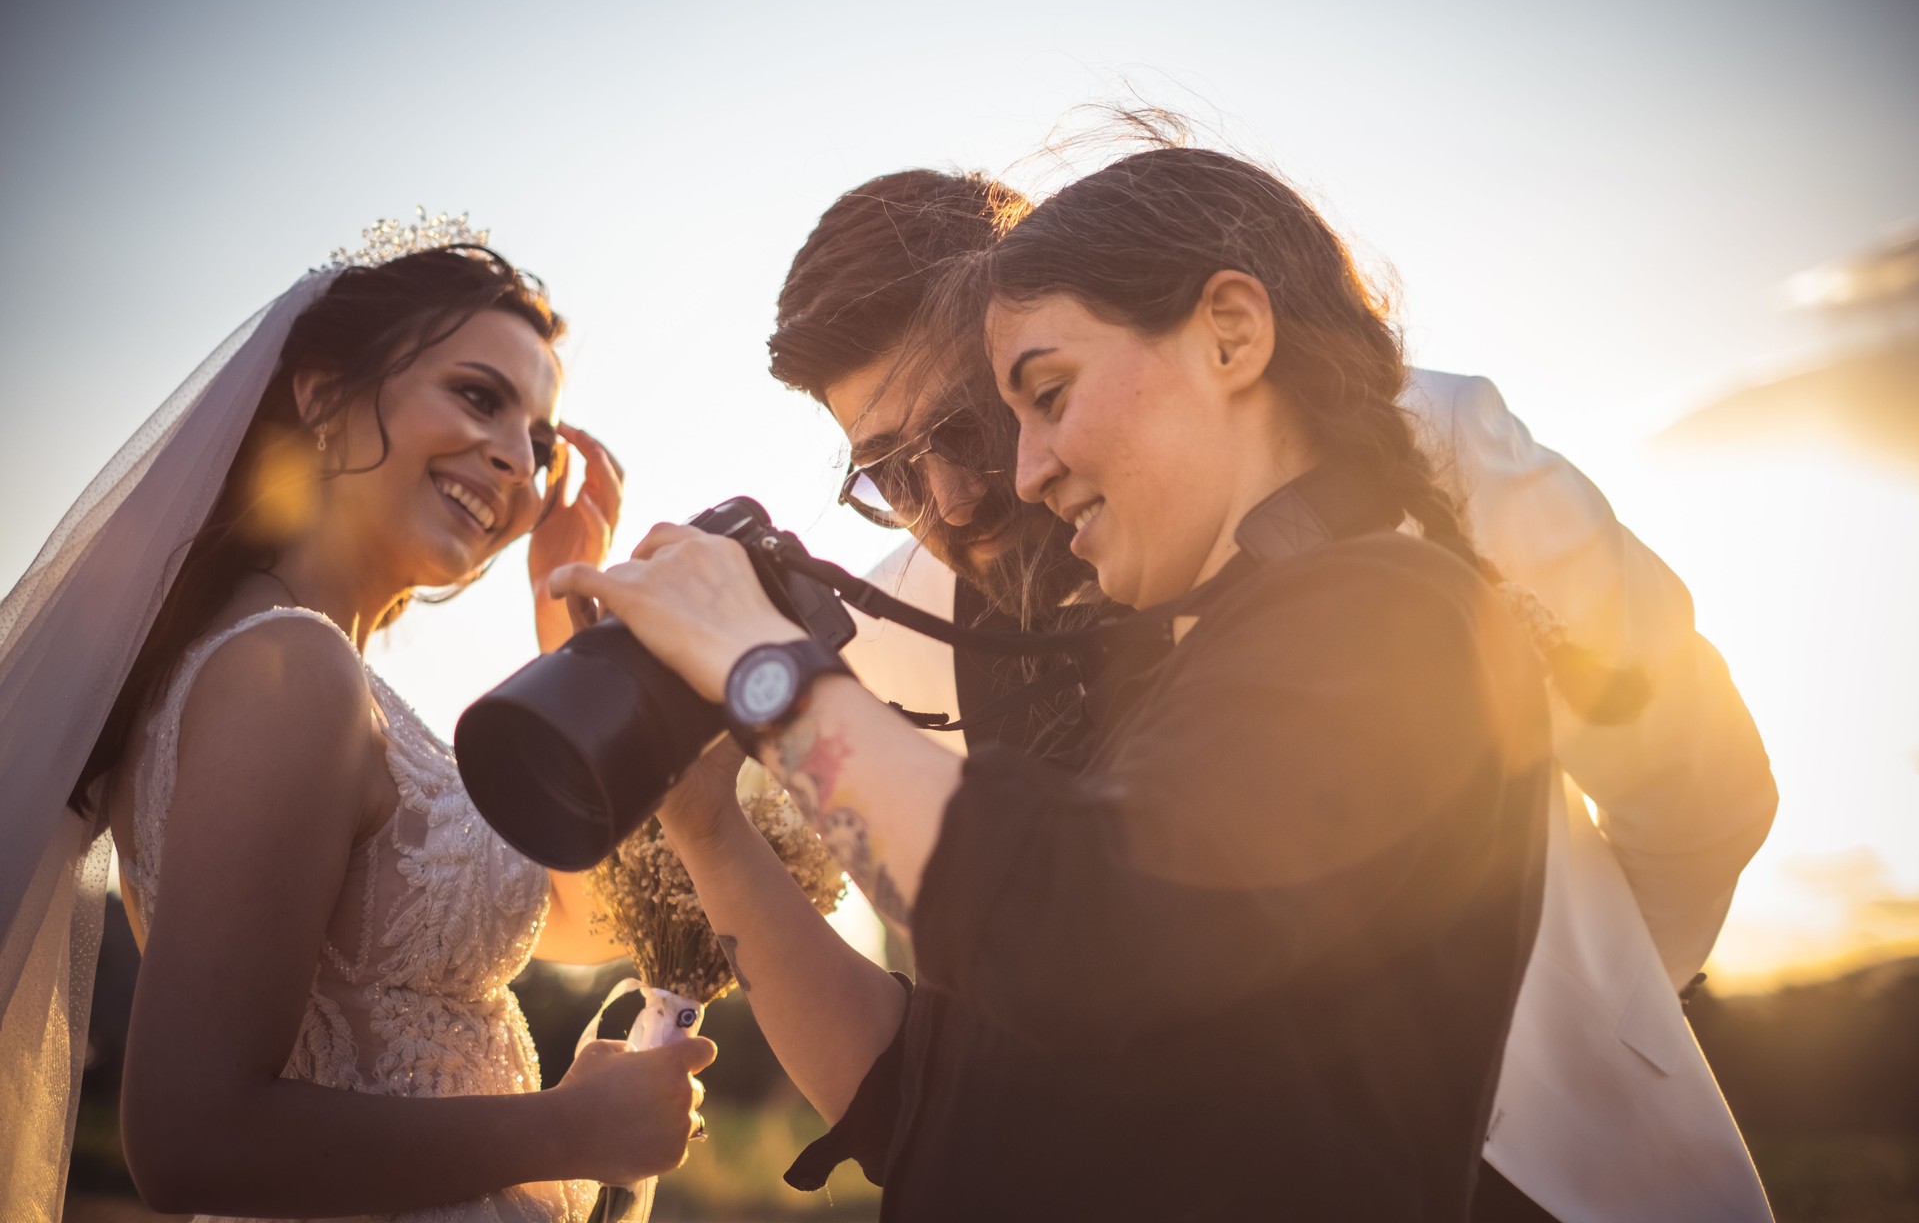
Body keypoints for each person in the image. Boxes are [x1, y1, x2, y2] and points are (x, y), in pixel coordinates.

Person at [553, 146, 1557, 1218]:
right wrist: (708, 825)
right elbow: (927, 1094)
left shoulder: (1386, 614)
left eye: (1027, 400)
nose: (985, 485)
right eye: (889, 470)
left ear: (1232, 334)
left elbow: (1078, 924)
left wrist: (768, 675)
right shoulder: (1051, 651)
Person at [764, 164, 1778, 1222]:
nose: (968, 496)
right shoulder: (897, 617)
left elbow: (1696, 776)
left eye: (987, 419)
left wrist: (1570, 1006)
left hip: (1556, 1176)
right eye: (889, 472)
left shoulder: (1423, 447)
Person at [0, 231, 712, 1223]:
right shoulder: (287, 671)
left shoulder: (312, 673)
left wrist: (565, 625)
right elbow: (189, 1137)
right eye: (478, 396)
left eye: (542, 439)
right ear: (324, 397)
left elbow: (579, 923)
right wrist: (569, 1127)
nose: (518, 457)